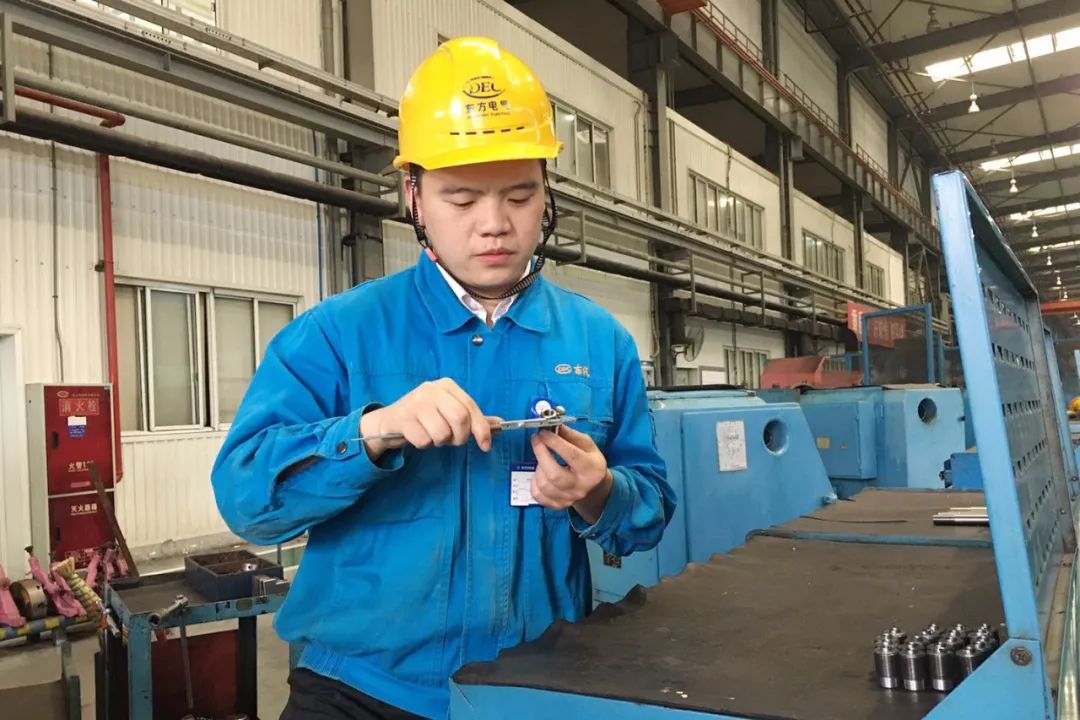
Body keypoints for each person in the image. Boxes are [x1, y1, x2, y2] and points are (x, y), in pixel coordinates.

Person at [211, 36, 675, 720]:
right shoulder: (336, 335)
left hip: (535, 687)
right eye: (461, 199)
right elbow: (246, 500)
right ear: (415, 198)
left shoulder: (599, 342)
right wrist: (372, 433)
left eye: (520, 195)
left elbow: (649, 512)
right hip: (361, 690)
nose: (495, 225)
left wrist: (600, 492)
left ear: (546, 195)